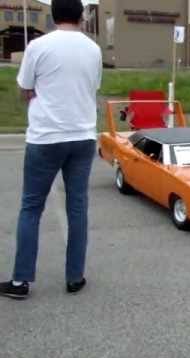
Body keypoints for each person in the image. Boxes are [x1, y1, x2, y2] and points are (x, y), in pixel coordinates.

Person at [0, 0, 103, 300]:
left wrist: (36, 92)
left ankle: (21, 281)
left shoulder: (37, 46)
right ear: (81, 16)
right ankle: (75, 276)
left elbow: (24, 89)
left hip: (46, 137)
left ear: (53, 16)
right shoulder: (93, 49)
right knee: (78, 207)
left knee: (31, 207)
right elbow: (92, 87)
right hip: (83, 136)